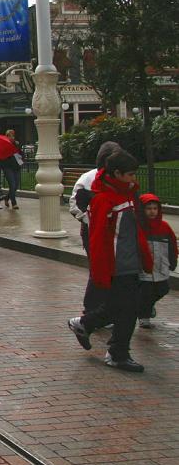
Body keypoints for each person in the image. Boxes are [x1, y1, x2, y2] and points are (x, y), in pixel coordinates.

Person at [67, 150, 153, 372]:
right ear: (117, 173)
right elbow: (98, 239)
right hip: (117, 265)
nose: (133, 178)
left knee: (121, 307)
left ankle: (86, 325)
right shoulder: (104, 199)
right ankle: (116, 352)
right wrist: (102, 270)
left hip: (130, 261)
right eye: (130, 174)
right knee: (126, 308)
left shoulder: (127, 193)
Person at [70, 141, 123, 314]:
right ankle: (92, 307)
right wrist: (94, 221)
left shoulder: (120, 178)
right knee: (98, 268)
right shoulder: (88, 179)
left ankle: (109, 306)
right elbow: (75, 206)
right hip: (94, 231)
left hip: (117, 232)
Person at [137, 193, 175, 329]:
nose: (152, 211)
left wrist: (173, 261)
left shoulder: (164, 226)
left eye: (155, 208)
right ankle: (144, 316)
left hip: (161, 266)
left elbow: (172, 245)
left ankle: (147, 306)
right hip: (144, 269)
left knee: (163, 289)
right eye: (148, 209)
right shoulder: (139, 227)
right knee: (145, 293)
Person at [0, 130, 22, 209]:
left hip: (16, 167)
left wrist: (21, 159)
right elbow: (1, 156)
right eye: (10, 136)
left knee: (16, 186)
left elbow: (20, 154)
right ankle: (14, 203)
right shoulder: (4, 145)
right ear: (6, 136)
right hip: (7, 167)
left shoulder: (16, 144)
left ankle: (7, 197)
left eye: (13, 135)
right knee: (12, 185)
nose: (12, 137)